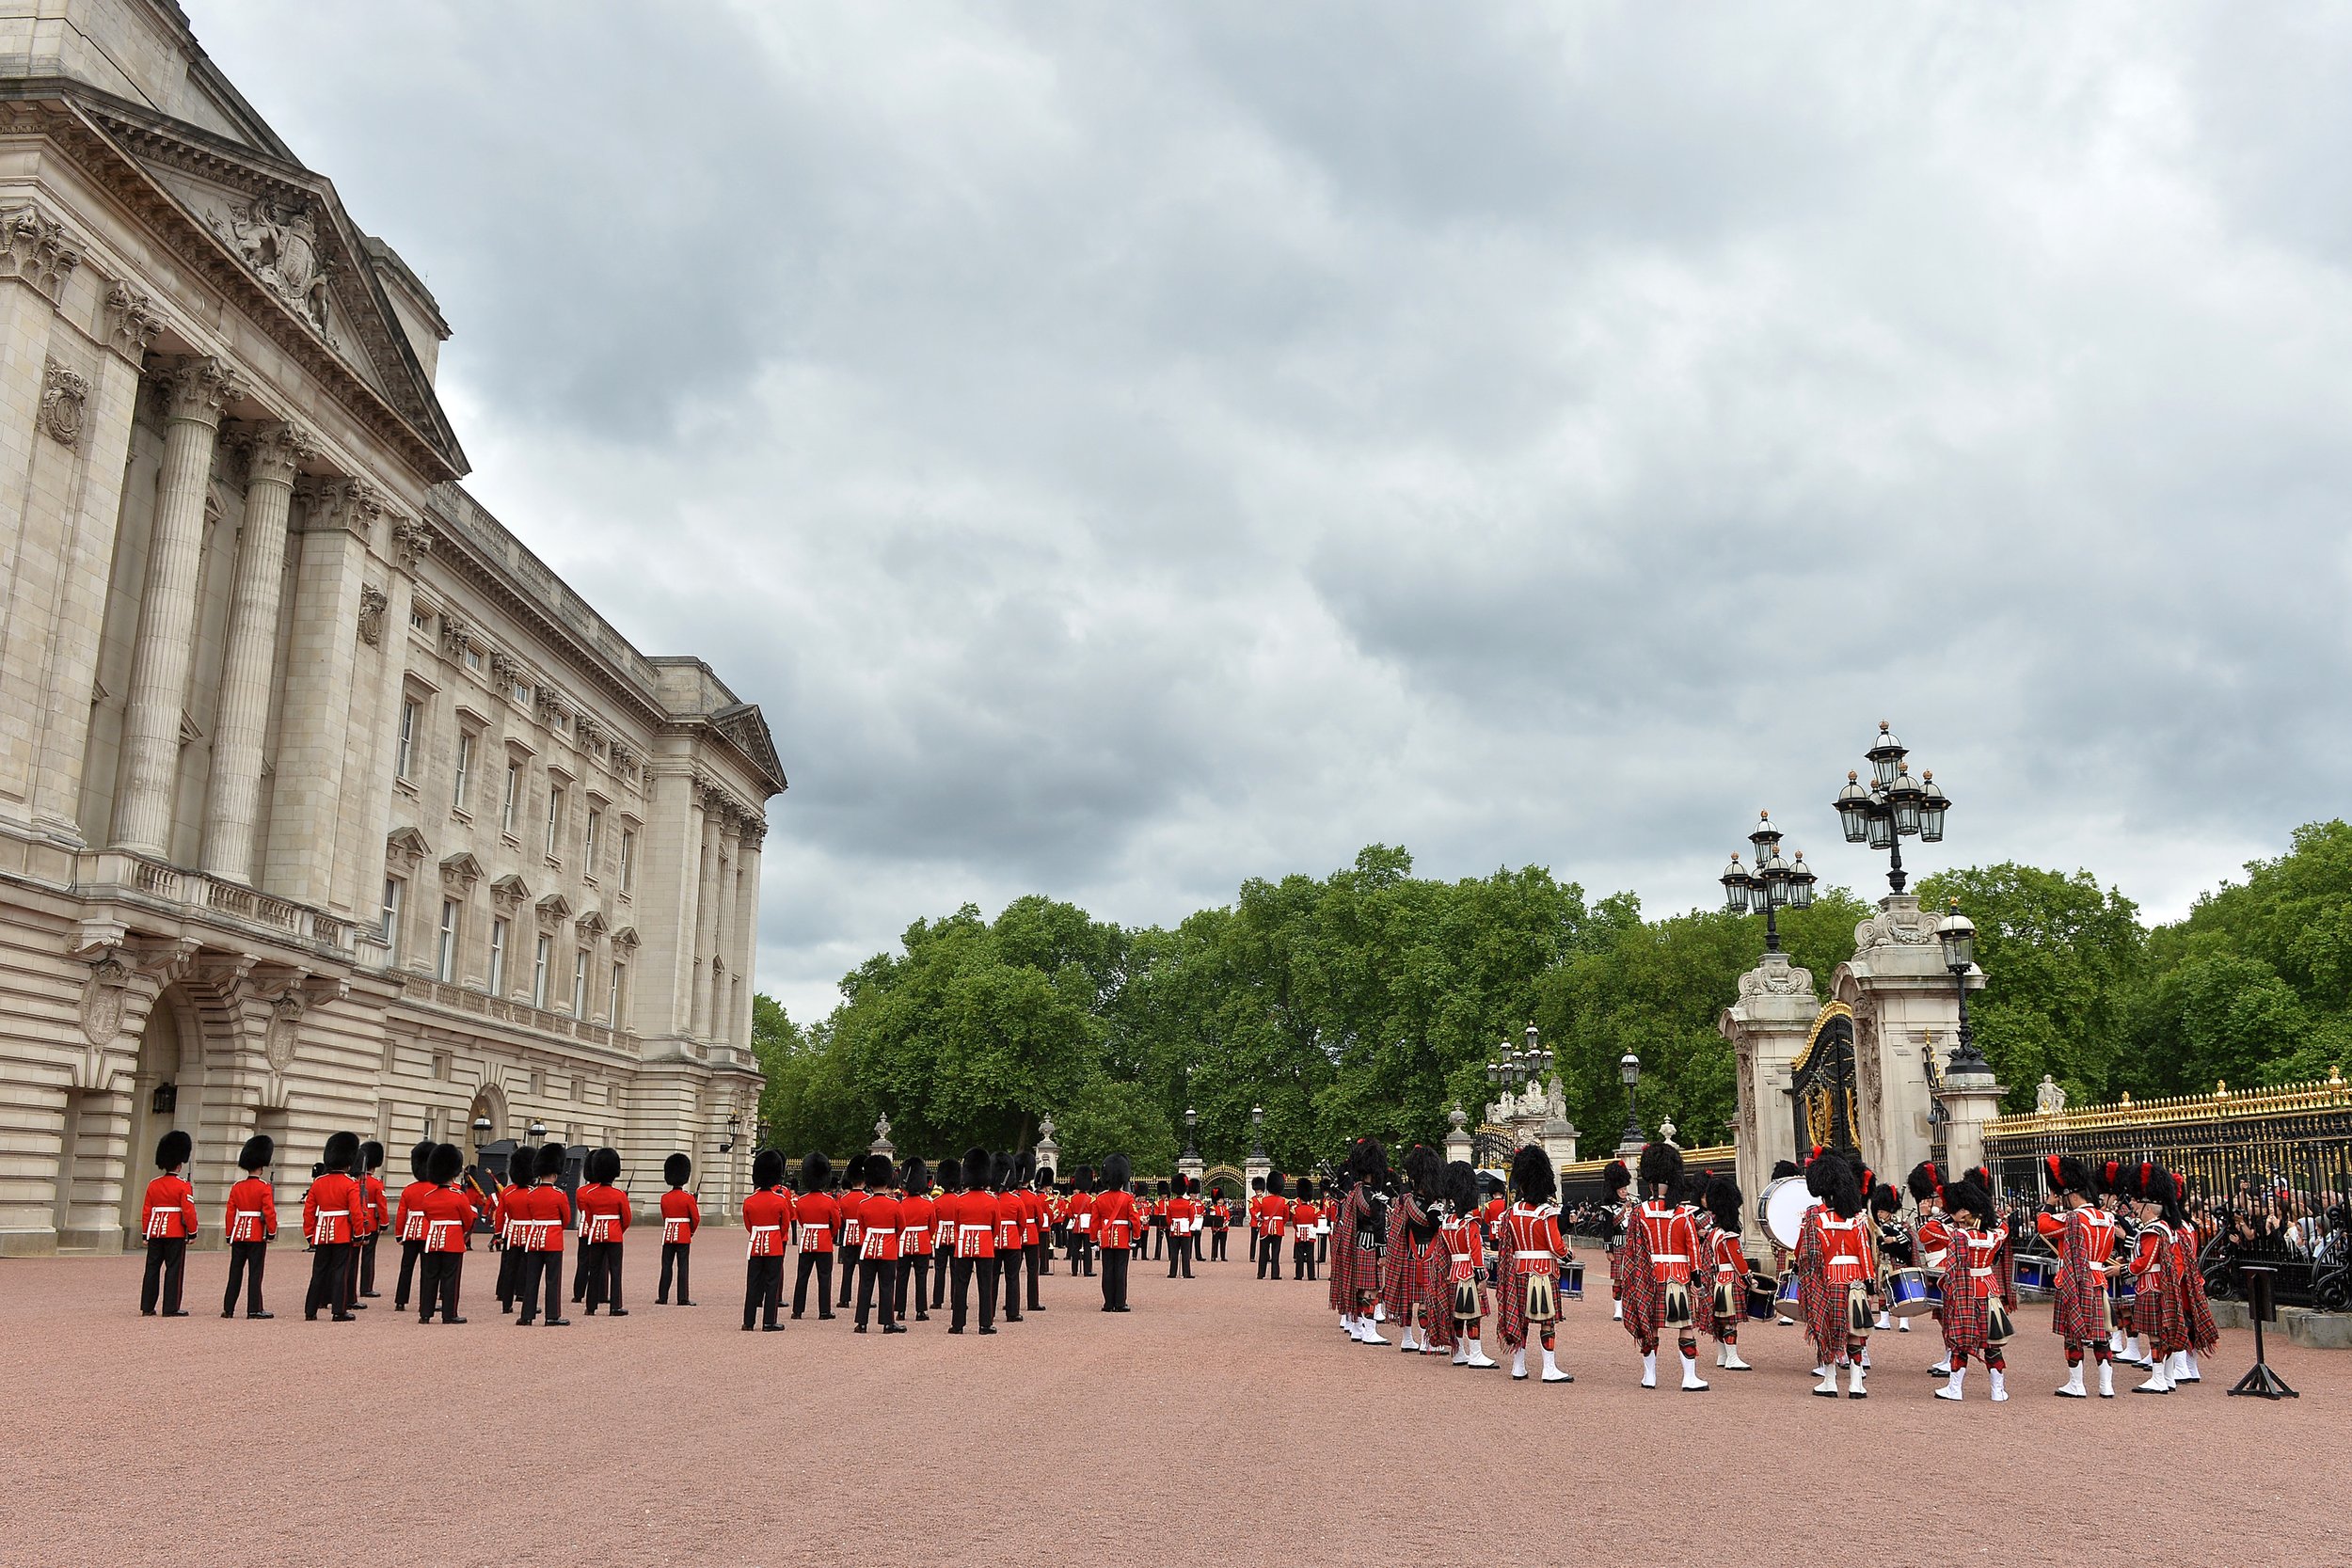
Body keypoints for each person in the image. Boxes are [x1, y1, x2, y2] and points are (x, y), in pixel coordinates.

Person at [1620, 1142, 1706, 1391]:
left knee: (1650, 1327)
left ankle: (1650, 1376)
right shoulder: (1683, 1213)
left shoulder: (1639, 1212)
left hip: (1649, 1277)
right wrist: (1697, 1281)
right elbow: (1693, 1249)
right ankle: (1689, 1378)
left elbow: (1633, 1250)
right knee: (1685, 1327)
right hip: (1678, 1277)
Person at [1795, 1149, 1877, 1398]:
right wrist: (1869, 1282)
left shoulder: (1814, 1219)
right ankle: (1856, 1383)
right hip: (1854, 1279)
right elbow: (1865, 1252)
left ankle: (1830, 1380)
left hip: (1827, 1278)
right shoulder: (1857, 1220)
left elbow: (1804, 1253)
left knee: (1826, 1329)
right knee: (1854, 1331)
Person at [2035, 1153, 2117, 1399]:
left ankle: (2076, 1384)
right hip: (2098, 1279)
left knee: (2074, 1334)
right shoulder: (2109, 1218)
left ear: (2071, 1195)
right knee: (2102, 1335)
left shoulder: (2073, 1218)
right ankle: (2106, 1386)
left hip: (2074, 1279)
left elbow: (2043, 1226)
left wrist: (2049, 1203)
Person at [1932, 1179, 2015, 1402]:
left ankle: (1955, 1388)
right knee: (1991, 1344)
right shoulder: (1994, 1235)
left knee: (1961, 1343)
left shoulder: (1960, 1236)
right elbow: (2003, 1226)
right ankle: (1997, 1391)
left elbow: (1952, 1268)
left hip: (1965, 1292)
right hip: (1989, 1292)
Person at [1495, 1144, 1573, 1382]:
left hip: (1519, 1270)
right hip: (1543, 1271)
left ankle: (1518, 1366)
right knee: (1546, 1321)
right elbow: (1554, 1244)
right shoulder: (1546, 1212)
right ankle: (1549, 1368)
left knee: (1521, 1318)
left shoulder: (1513, 1211)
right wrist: (1567, 1254)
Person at [2122, 1163, 2186, 1394]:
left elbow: (2144, 1262)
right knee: (2164, 1331)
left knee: (2155, 1333)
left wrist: (2122, 1269)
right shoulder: (2167, 1228)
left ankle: (2158, 1377)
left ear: (2148, 1207)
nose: (2135, 1206)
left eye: (2138, 1203)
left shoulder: (2152, 1230)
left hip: (2151, 1284)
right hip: (2164, 1284)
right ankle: (2167, 1376)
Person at [1437, 1161, 1498, 1369]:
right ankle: (1476, 1353)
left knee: (1458, 1315)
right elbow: (1475, 1252)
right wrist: (1481, 1277)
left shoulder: (1447, 1222)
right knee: (1473, 1315)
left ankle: (1458, 1352)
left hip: (1454, 1271)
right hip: (1469, 1272)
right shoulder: (1469, 1223)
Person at [302, 1131, 364, 1323]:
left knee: (318, 1271)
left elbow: (309, 1211)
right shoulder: (350, 1183)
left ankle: (310, 1310)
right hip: (342, 1232)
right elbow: (356, 1212)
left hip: (321, 1232)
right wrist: (359, 1233)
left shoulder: (319, 1183)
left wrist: (310, 1234)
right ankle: (339, 1310)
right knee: (340, 1271)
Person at [1331, 1140, 1389, 1343]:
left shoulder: (1354, 1193)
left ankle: (1357, 1327)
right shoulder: (1374, 1197)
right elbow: (1379, 1226)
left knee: (1356, 1285)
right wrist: (1382, 1252)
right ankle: (1370, 1331)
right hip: (1371, 1242)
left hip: (1356, 1242)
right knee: (1372, 1288)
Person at [416, 1143, 479, 1324]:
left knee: (430, 1276)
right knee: (450, 1278)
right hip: (452, 1240)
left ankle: (425, 1313)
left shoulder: (428, 1197)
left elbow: (427, 1216)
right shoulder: (459, 1196)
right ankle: (449, 1314)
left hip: (432, 1239)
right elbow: (468, 1220)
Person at [138, 1129, 198, 1317]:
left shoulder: (153, 1184)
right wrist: (192, 1231)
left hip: (155, 1231)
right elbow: (188, 1211)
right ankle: (170, 1307)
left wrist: (145, 1233)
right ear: (179, 1165)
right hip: (175, 1231)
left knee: (152, 1269)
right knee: (174, 1269)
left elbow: (147, 1210)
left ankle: (147, 1306)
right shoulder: (183, 1185)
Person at [514, 1142, 573, 1328]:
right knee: (552, 1279)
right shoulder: (559, 1194)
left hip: (534, 1238)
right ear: (555, 1174)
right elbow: (566, 1219)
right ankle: (552, 1316)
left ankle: (527, 1315)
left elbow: (530, 1215)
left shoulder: (531, 1195)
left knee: (532, 1278)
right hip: (553, 1239)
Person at [2169, 1171, 2217, 1386]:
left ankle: (2182, 1366)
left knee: (2177, 1322)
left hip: (2179, 1280)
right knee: (2191, 1321)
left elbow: (2176, 1259)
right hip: (2192, 1279)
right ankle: (2191, 1365)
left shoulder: (2173, 1227)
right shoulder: (2188, 1225)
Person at [222, 1133, 278, 1320]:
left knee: (235, 1272)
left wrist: (230, 1234)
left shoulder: (237, 1186)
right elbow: (269, 1212)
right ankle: (254, 1309)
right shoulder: (264, 1187)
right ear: (261, 1167)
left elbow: (230, 1213)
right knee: (255, 1273)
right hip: (256, 1234)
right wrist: (271, 1232)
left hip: (239, 1233)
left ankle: (228, 1308)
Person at [1701, 1175, 1752, 1371]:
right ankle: (1732, 1358)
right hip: (1731, 1281)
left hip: (1717, 1280)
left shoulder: (1713, 1233)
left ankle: (1722, 1355)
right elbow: (1738, 1262)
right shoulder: (1728, 1236)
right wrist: (1749, 1279)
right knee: (1731, 1322)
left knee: (1721, 1321)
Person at [1907, 1161, 1953, 1373]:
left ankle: (1954, 1357)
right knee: (1942, 1317)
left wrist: (1925, 1216)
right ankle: (1949, 1354)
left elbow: (1925, 1235)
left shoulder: (1949, 1216)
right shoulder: (1935, 1216)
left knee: (1950, 1316)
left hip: (1946, 1266)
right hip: (1934, 1266)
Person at [950, 1145, 1001, 1332]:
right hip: (985, 1244)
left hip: (964, 1244)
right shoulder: (992, 1200)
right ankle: (985, 1324)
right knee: (985, 1286)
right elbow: (996, 1227)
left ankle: (957, 1324)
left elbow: (957, 1225)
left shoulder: (960, 1200)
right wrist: (987, 1238)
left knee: (960, 1285)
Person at [576, 1147, 630, 1316]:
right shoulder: (619, 1194)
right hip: (614, 1235)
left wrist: (596, 1228)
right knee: (615, 1271)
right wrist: (617, 1230)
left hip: (596, 1234)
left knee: (594, 1269)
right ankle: (615, 1306)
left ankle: (590, 1306)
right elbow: (626, 1218)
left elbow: (589, 1216)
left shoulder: (590, 1194)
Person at [854, 1152, 905, 1333]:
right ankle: (887, 1322)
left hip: (868, 1248)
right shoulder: (894, 1204)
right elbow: (901, 1227)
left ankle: (861, 1322)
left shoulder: (863, 1205)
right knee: (887, 1285)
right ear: (887, 1180)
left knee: (865, 1285)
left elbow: (862, 1226)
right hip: (888, 1249)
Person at [742, 1149, 791, 1332]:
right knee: (772, 1282)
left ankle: (748, 1321)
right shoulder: (779, 1200)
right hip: (774, 1245)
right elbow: (784, 1225)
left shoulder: (749, 1200)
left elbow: (748, 1225)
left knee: (753, 1282)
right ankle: (769, 1321)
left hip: (755, 1244)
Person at [390, 1139, 436, 1312]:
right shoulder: (434, 1188)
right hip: (428, 1231)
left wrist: (399, 1234)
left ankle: (400, 1301)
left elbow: (402, 1213)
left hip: (410, 1232)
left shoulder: (409, 1189)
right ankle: (425, 1301)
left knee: (406, 1268)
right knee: (427, 1269)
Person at [790, 1152, 837, 1320]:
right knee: (824, 1277)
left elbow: (801, 1221)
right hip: (824, 1241)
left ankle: (797, 1310)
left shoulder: (801, 1201)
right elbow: (836, 1223)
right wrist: (828, 1234)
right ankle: (824, 1311)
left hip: (807, 1241)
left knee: (802, 1276)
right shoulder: (829, 1201)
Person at [1093, 1152, 1136, 1312]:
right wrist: (1136, 1237)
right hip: (1123, 1237)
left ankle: (1108, 1303)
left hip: (1106, 1237)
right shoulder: (1127, 1198)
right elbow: (1135, 1219)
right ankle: (1120, 1303)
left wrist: (1093, 1240)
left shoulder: (1100, 1198)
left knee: (1107, 1270)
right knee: (1120, 1270)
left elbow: (1094, 1221)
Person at [894, 1157, 934, 1323]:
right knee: (921, 1277)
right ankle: (920, 1311)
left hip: (903, 1243)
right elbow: (933, 1227)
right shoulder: (928, 1204)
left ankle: (900, 1311)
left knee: (902, 1277)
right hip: (922, 1243)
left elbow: (897, 1226)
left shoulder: (900, 1204)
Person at [657, 1153, 699, 1307]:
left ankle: (662, 1296)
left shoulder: (664, 1198)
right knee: (683, 1267)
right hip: (683, 1234)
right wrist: (690, 1231)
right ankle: (682, 1298)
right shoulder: (688, 1198)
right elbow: (695, 1219)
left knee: (666, 1265)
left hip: (668, 1234)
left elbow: (664, 1216)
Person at [355, 1140, 389, 1302]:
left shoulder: (355, 1181)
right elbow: (382, 1205)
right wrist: (384, 1223)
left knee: (352, 1257)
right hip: (371, 1222)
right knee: (368, 1256)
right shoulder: (376, 1183)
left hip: (355, 1222)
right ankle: (366, 1287)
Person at [835, 1157, 869, 1310]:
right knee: (865, 1271)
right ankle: (864, 1298)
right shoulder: (867, 1199)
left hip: (848, 1236)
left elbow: (840, 1218)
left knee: (847, 1269)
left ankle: (844, 1298)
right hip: (863, 1236)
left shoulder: (844, 1199)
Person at [1599, 1159, 1631, 1323]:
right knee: (1618, 1278)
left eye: (1625, 1188)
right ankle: (1618, 1309)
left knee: (1632, 1278)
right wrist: (1608, 1250)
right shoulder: (1609, 1208)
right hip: (1618, 1244)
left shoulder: (1634, 1203)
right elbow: (1607, 1230)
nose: (1625, 1191)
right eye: (1621, 1189)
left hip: (1632, 1246)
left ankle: (1630, 1307)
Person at [931, 1158, 961, 1310]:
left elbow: (933, 1223)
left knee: (940, 1270)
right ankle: (955, 1300)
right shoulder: (959, 1200)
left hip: (940, 1238)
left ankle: (937, 1300)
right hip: (956, 1238)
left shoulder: (936, 1201)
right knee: (956, 1271)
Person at [1024, 1162, 1051, 1310]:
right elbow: (1040, 1219)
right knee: (1032, 1270)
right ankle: (1032, 1302)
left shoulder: (1014, 1196)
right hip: (1032, 1234)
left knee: (1012, 1273)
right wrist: (1036, 1228)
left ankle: (1011, 1302)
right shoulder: (1033, 1197)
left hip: (1015, 1234)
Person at [1167, 1175, 1200, 1278]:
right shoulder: (1189, 1203)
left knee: (1174, 1253)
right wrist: (1186, 1225)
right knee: (1186, 1253)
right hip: (1185, 1230)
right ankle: (1186, 1273)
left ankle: (1172, 1273)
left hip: (1174, 1230)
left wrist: (1173, 1225)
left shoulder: (1170, 1203)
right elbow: (1191, 1218)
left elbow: (1168, 1219)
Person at [1257, 1172, 1288, 1281]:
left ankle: (1261, 1273)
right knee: (1276, 1253)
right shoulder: (1283, 1201)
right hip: (1278, 1228)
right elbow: (1286, 1217)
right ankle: (1275, 1274)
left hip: (1265, 1228)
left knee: (1263, 1252)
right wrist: (1279, 1224)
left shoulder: (1263, 1200)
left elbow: (1259, 1214)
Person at [1065, 1166, 1095, 1277]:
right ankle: (1087, 1271)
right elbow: (1094, 1214)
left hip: (1076, 1225)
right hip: (1087, 1226)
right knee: (1087, 1248)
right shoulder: (1091, 1199)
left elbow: (1068, 1213)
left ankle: (1074, 1271)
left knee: (1075, 1248)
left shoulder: (1071, 1199)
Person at [1286, 1179, 1317, 1281]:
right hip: (1310, 1235)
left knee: (1299, 1256)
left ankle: (1299, 1275)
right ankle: (1311, 1276)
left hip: (1299, 1234)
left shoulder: (1296, 1210)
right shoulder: (1313, 1210)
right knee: (1310, 1255)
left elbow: (1294, 1224)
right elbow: (1315, 1223)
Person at [1206, 1183, 1231, 1262]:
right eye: (1219, 1200)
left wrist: (1225, 1223)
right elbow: (1213, 1218)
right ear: (1216, 1200)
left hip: (1224, 1229)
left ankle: (1223, 1256)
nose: (1220, 1201)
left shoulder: (1225, 1208)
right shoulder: (1213, 1208)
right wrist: (1216, 1227)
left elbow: (1227, 1216)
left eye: (1221, 1199)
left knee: (1223, 1243)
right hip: (1216, 1229)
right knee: (1215, 1243)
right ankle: (1214, 1256)